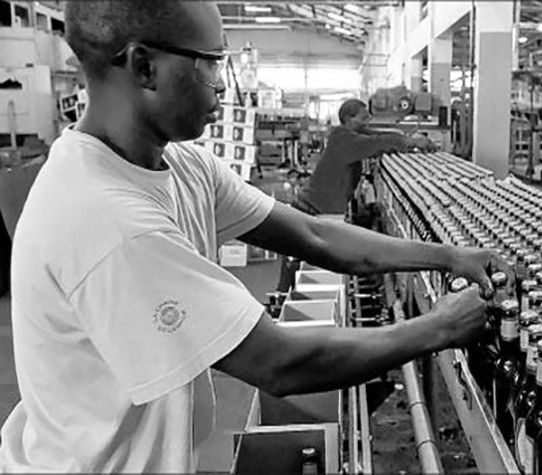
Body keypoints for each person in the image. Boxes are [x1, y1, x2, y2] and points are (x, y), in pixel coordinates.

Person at [0, 1, 510, 473]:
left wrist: (447, 255)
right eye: (209, 64)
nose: (223, 85)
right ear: (143, 66)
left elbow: (315, 234)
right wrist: (438, 328)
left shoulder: (184, 165)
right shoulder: (105, 217)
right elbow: (280, 363)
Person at [294, 99, 434, 215]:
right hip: (314, 209)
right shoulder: (343, 139)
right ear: (349, 119)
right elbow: (377, 142)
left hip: (321, 207)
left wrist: (406, 139)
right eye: (364, 118)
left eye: (368, 117)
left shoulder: (348, 134)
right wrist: (412, 142)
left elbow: (375, 134)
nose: (367, 122)